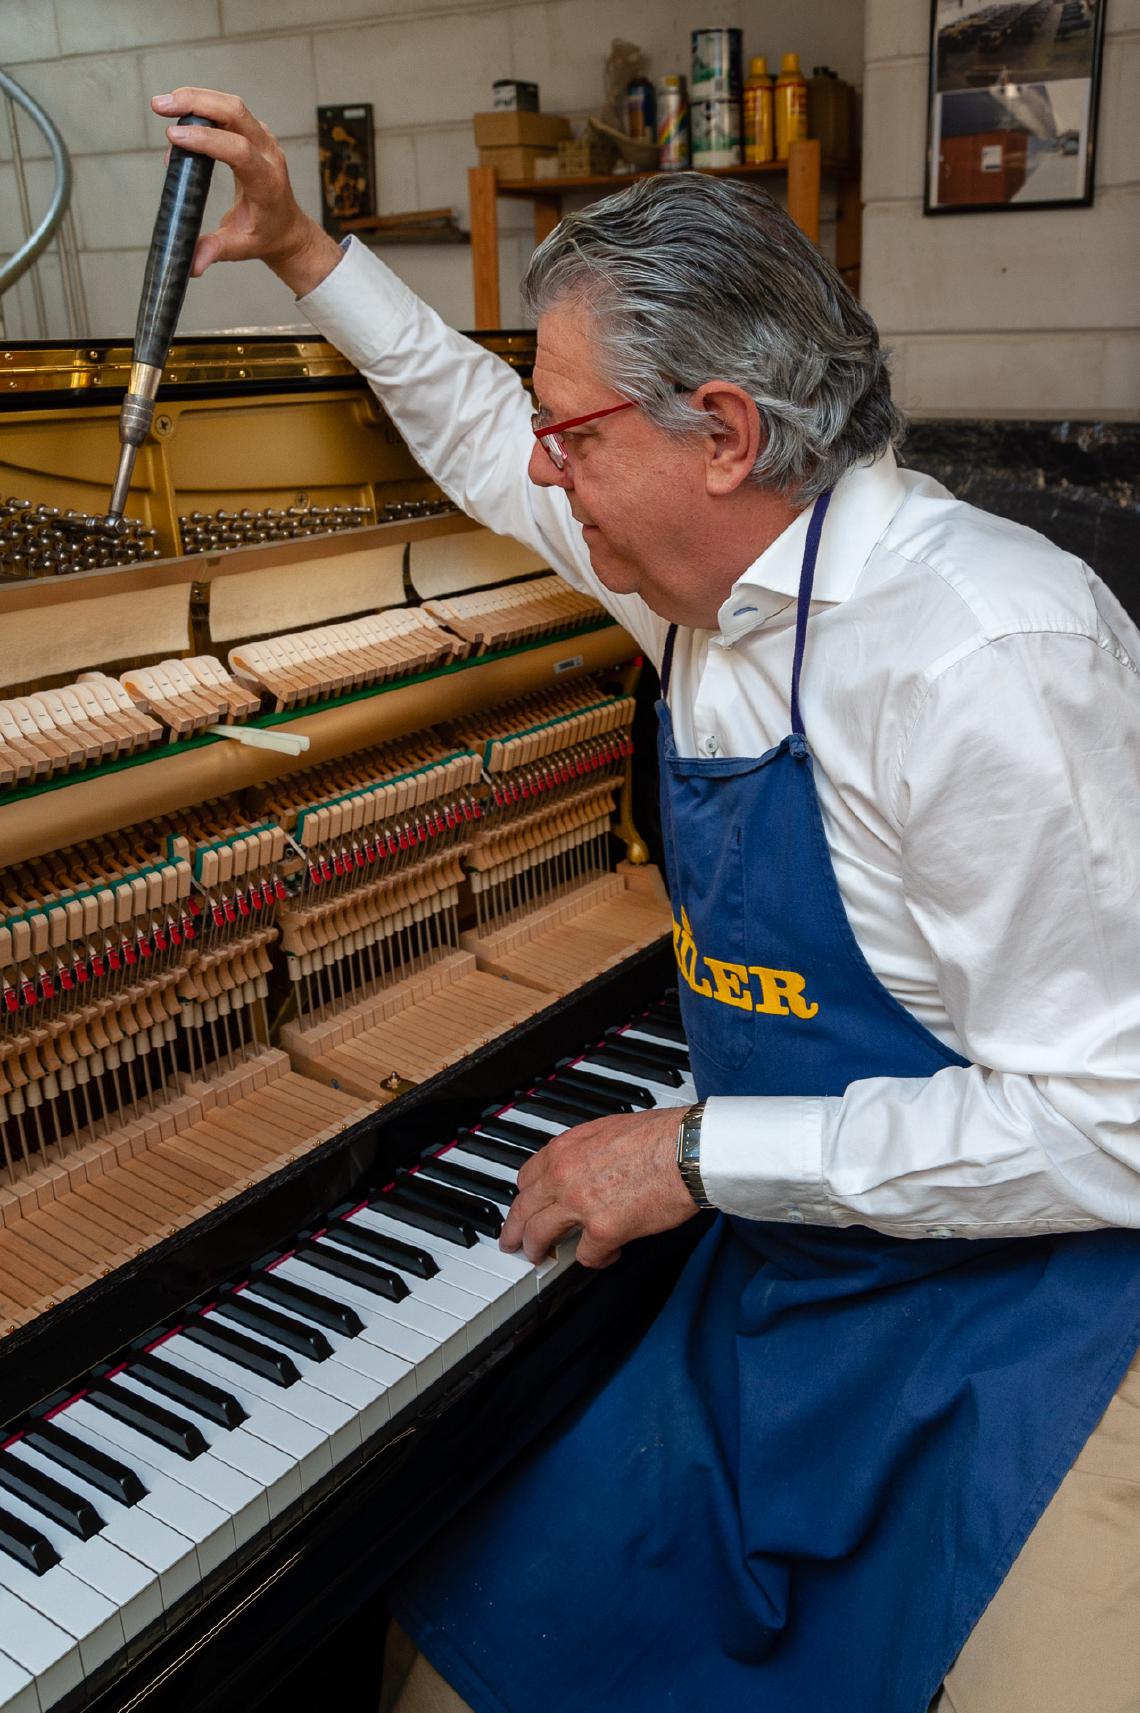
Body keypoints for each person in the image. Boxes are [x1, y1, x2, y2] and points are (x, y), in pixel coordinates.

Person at [152, 89, 1140, 1713]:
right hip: (800, 1275)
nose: (549, 474)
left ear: (727, 432)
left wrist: (692, 1151)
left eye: (578, 435)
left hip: (1030, 1309)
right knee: (468, 1644)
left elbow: (1114, 1121)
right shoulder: (697, 569)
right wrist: (310, 252)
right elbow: (483, 432)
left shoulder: (988, 653)